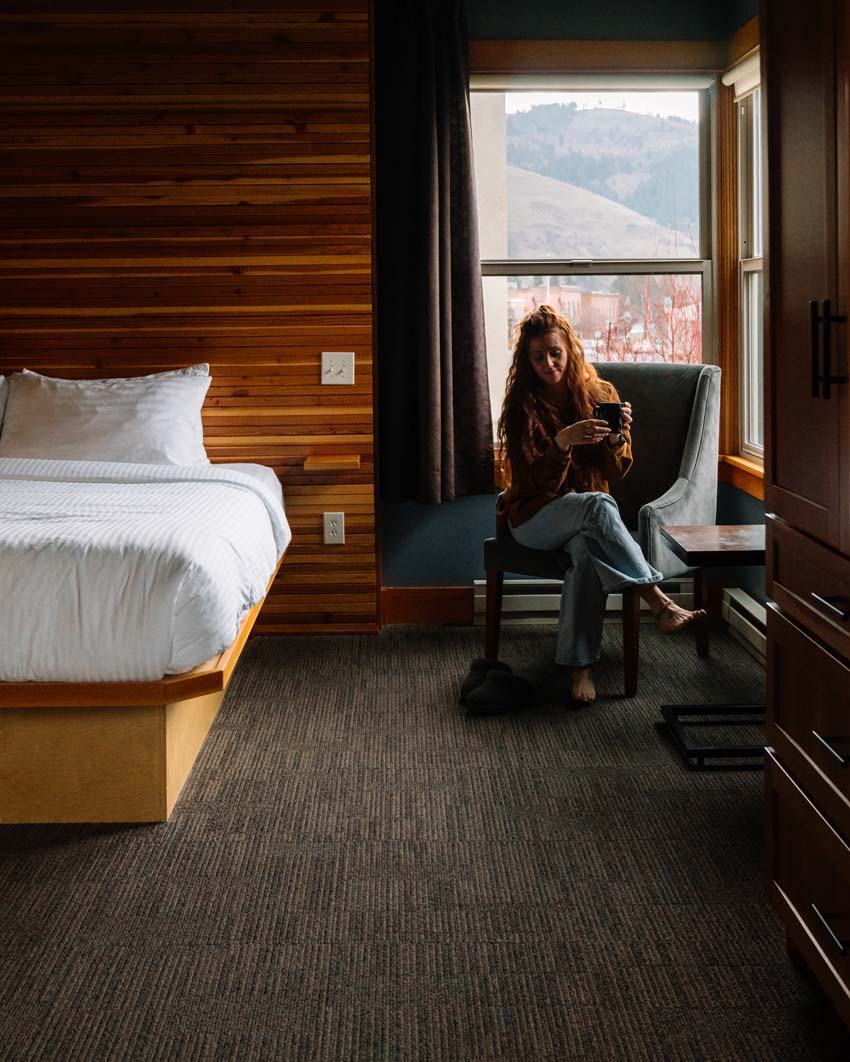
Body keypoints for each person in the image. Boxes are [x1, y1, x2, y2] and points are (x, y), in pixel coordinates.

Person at [496, 305, 705, 705]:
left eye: (555, 353)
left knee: (588, 552)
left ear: (570, 350)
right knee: (596, 506)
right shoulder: (522, 406)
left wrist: (615, 440)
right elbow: (529, 484)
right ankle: (658, 600)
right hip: (534, 518)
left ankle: (580, 668)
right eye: (538, 357)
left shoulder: (601, 395)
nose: (548, 364)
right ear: (527, 360)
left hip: (587, 521)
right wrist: (563, 443)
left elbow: (618, 470)